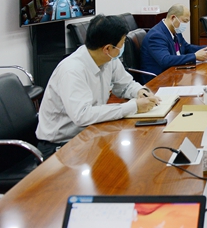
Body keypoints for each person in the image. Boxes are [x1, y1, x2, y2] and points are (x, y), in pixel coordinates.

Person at [35, 15, 161, 158]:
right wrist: (133, 106)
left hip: (91, 132)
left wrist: (140, 91)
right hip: (62, 145)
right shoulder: (72, 70)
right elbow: (83, 115)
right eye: (122, 43)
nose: (122, 48)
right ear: (107, 48)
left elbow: (125, 85)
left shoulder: (109, 59)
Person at [140, 4, 207, 75]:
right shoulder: (156, 35)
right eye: (184, 21)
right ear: (173, 18)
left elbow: (186, 47)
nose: (185, 25)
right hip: (158, 78)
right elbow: (165, 60)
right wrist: (194, 56)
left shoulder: (176, 31)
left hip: (175, 71)